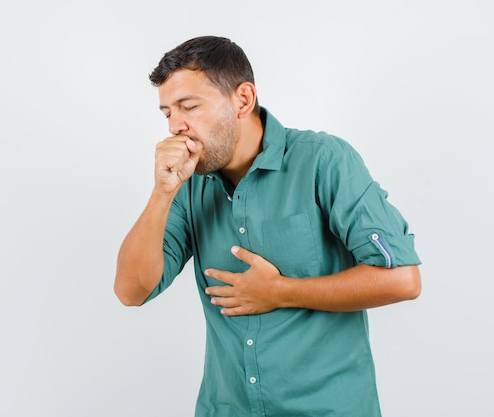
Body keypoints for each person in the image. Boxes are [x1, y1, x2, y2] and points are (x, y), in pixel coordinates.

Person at [114, 35, 421, 417]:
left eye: (188, 107)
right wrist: (162, 193)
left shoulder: (322, 160)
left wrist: (281, 291)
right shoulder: (186, 183)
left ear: (242, 100)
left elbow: (403, 279)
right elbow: (131, 291)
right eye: (167, 113)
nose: (176, 126)